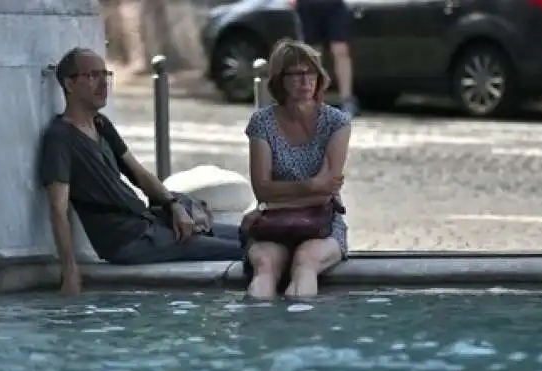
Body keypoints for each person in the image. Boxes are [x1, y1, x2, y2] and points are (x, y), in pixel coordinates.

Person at [38, 47, 243, 295]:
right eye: (93, 75)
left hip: (149, 224)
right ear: (70, 84)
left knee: (249, 233)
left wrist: (174, 205)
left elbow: (139, 173)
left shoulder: (100, 124)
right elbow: (58, 210)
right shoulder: (60, 138)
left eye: (106, 74)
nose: (104, 84)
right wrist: (70, 271)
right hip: (129, 241)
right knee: (245, 250)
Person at [242, 39, 351, 299]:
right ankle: (258, 333)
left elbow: (326, 192)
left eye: (310, 72)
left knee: (306, 262)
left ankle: (299, 331)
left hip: (322, 223)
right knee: (266, 267)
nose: (306, 81)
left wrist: (282, 196)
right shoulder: (262, 123)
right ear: (280, 80)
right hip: (274, 225)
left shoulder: (336, 122)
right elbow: (262, 190)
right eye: (296, 74)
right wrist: (311, 185)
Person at [295, 0, 357, 116]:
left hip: (333, 4)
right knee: (312, 53)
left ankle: (347, 100)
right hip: (308, 5)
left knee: (340, 49)